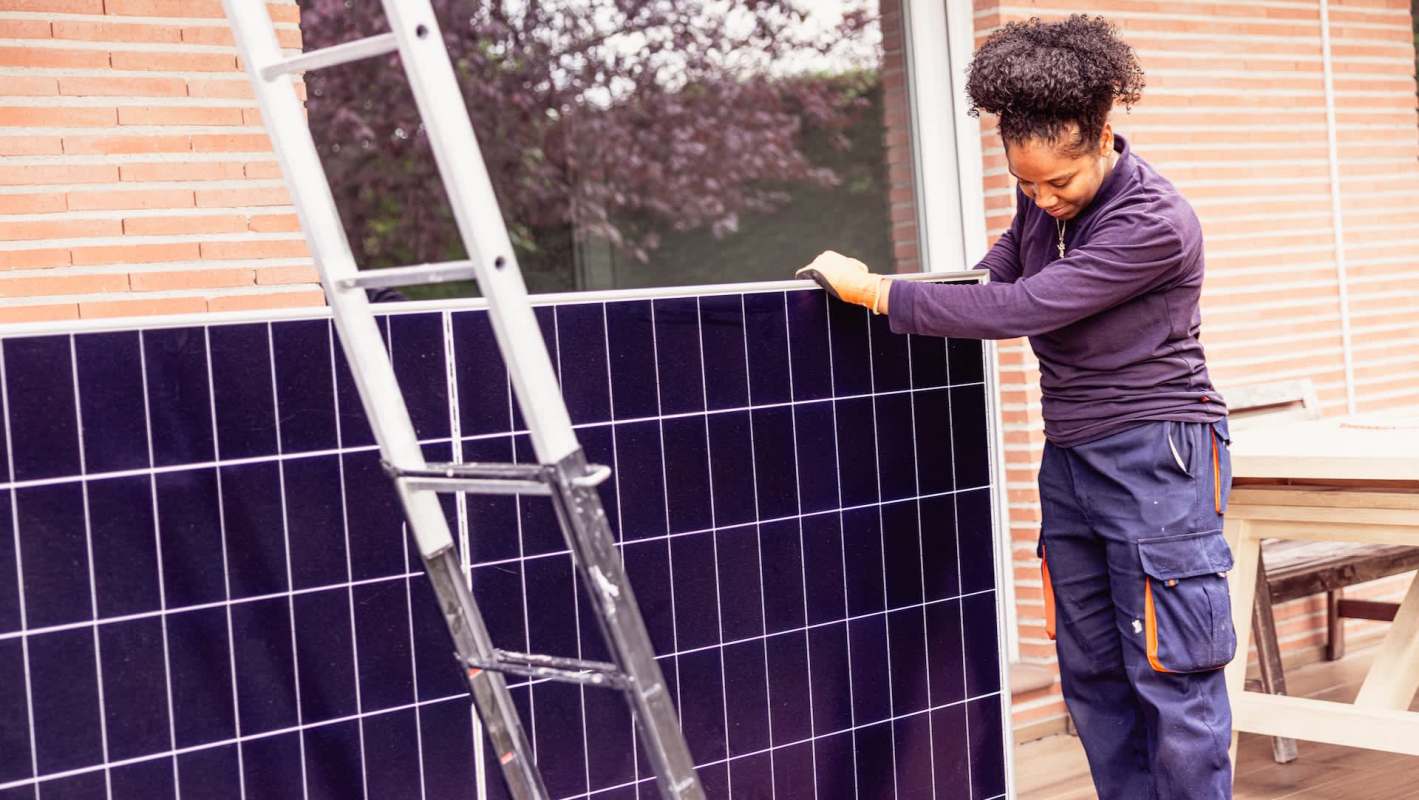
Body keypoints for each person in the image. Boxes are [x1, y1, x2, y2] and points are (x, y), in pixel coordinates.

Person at [797, 15, 1236, 799]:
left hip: (1156, 455)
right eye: (1024, 184)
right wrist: (913, 302)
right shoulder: (1043, 202)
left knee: (1171, 670)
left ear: (1101, 137)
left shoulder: (1153, 224)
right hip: (1070, 455)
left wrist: (879, 292)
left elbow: (1023, 306)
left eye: (1057, 183)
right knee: (1091, 671)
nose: (1041, 199)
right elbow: (994, 277)